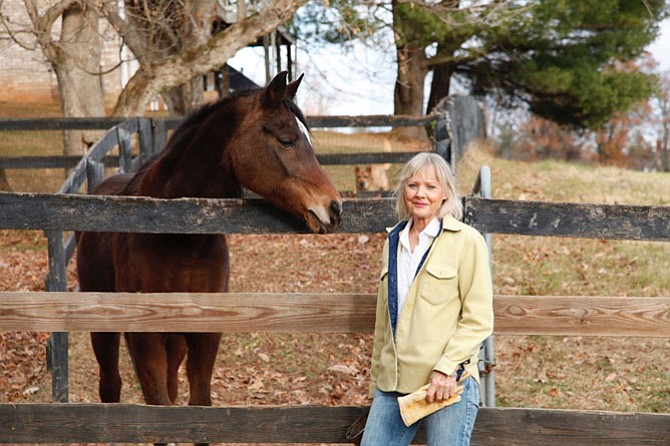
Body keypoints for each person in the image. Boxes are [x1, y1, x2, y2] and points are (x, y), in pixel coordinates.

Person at [360, 152, 494, 446]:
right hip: (394, 384)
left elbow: (478, 319)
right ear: (403, 191)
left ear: (445, 193)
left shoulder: (466, 242)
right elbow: (384, 323)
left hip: (448, 383)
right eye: (413, 185)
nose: (420, 194)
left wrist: (446, 369)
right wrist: (375, 383)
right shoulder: (392, 241)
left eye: (431, 187)